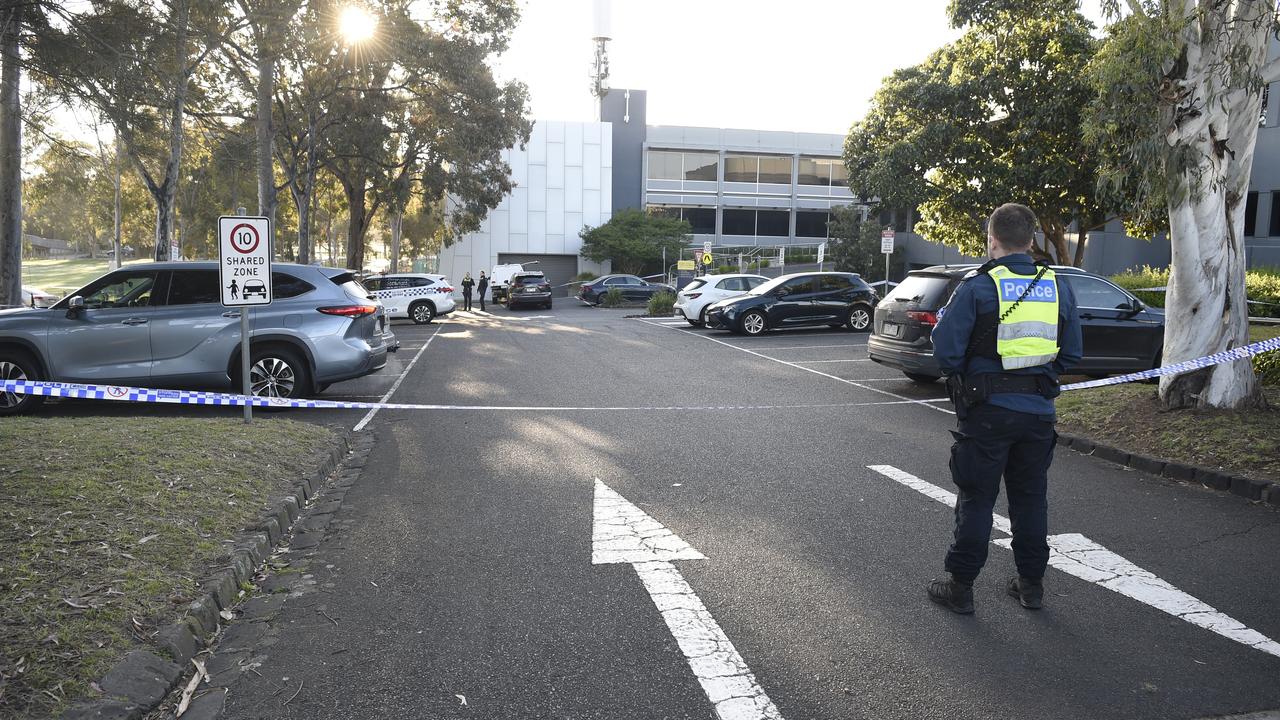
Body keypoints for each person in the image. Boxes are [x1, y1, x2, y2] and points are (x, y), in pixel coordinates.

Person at [925, 203, 1083, 615]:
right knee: (1031, 500)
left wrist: (974, 375)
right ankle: (1031, 586)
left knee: (977, 498)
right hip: (1038, 412)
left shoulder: (978, 286)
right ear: (1031, 241)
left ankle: (960, 588)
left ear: (991, 239)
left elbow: (945, 349)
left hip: (987, 410)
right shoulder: (1058, 286)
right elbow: (1072, 353)